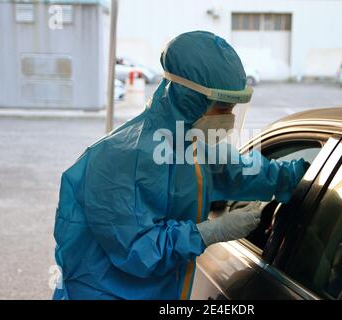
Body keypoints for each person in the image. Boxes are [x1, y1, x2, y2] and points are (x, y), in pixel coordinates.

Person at [53, 31, 307, 300]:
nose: (229, 118)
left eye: (232, 108)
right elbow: (138, 251)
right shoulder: (117, 159)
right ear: (189, 97)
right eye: (222, 106)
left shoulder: (191, 145)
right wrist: (211, 231)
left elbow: (246, 172)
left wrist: (301, 176)